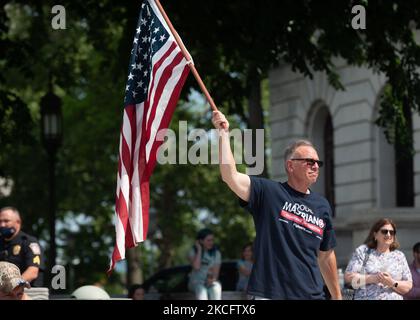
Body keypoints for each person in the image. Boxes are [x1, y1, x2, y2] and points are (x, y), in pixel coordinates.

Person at [212, 111, 341, 300]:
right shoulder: (268, 192)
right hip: (270, 295)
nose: (315, 166)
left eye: (318, 163)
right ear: (290, 166)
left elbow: (326, 255)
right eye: (309, 161)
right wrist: (222, 134)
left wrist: (338, 298)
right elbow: (230, 176)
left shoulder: (322, 206)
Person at [344, 218, 412, 300]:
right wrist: (372, 278)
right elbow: (348, 278)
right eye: (384, 231)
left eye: (392, 232)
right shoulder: (363, 251)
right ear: (375, 235)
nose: (388, 235)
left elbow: (407, 286)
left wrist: (392, 283)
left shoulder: (399, 256)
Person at [0, 206, 44, 287]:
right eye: (0, 221)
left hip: (29, 293)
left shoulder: (29, 242)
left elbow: (33, 272)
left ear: (18, 222)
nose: (2, 225)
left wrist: (12, 286)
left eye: (6, 221)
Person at [188, 228, 222, 300]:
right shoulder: (193, 251)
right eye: (208, 240)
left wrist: (212, 280)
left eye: (212, 240)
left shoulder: (216, 253)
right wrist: (199, 250)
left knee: (216, 288)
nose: (211, 243)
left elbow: (215, 274)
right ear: (201, 241)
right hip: (196, 283)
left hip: (209, 282)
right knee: (201, 290)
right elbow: (196, 267)